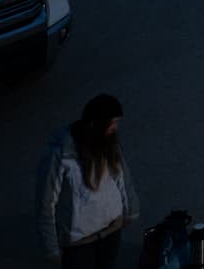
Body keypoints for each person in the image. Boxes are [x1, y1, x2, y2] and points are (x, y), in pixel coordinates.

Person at [37, 93, 139, 267]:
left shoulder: (109, 144)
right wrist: (52, 248)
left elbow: (122, 177)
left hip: (111, 232)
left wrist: (131, 209)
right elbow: (46, 204)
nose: (115, 128)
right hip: (79, 244)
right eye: (112, 123)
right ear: (95, 124)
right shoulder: (61, 155)